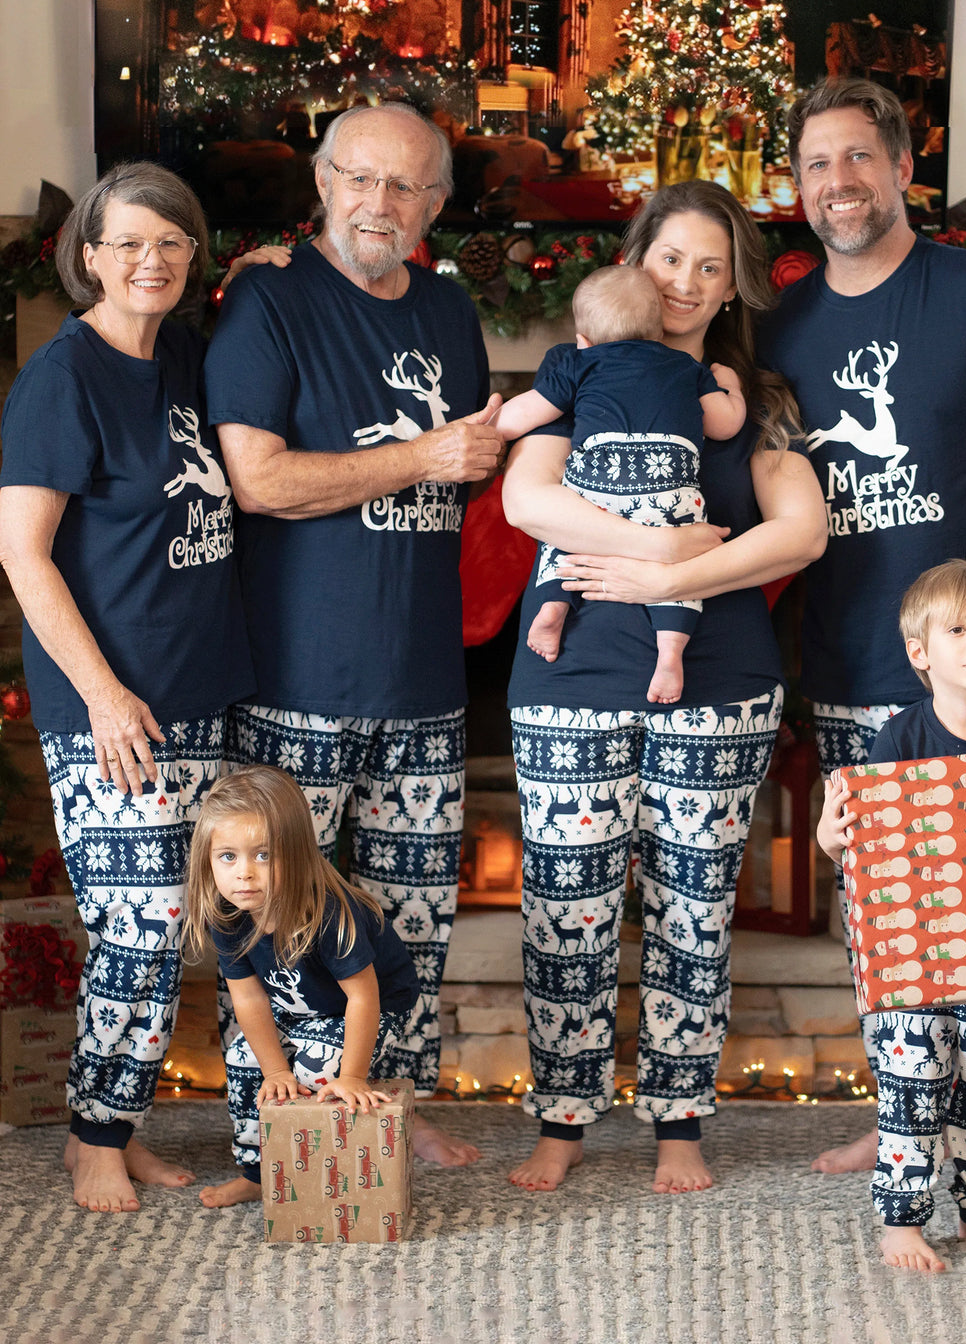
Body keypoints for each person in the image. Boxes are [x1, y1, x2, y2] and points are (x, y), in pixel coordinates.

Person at [757, 76, 966, 1206]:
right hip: (853, 659)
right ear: (797, 189)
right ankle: (901, 1116)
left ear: (902, 168)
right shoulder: (783, 327)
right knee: (885, 911)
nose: (837, 182)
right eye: (815, 165)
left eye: (858, 157)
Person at [499, 180, 828, 1193]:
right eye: (670, 257)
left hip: (717, 686)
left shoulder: (746, 398)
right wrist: (663, 544)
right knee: (567, 909)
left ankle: (680, 1123)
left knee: (695, 911)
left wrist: (675, 573)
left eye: (709, 267)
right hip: (569, 680)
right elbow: (525, 498)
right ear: (634, 262)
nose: (685, 280)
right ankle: (562, 1121)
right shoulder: (586, 370)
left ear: (732, 289)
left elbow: (801, 531)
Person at [203, 101, 503, 1167]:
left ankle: (389, 1117)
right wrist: (422, 458)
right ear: (324, 182)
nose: (381, 202)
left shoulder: (450, 312)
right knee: (277, 921)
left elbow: (474, 469)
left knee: (410, 923)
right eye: (360, 177)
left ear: (436, 205)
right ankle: (271, 1144)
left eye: (407, 185)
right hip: (299, 682)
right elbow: (259, 480)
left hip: (424, 681)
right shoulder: (269, 298)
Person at [0, 162, 254, 1212]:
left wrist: (266, 266)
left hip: (205, 690)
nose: (151, 260)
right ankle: (94, 1135)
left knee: (181, 920)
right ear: (90, 257)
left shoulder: (188, 356)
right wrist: (104, 696)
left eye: (172, 242)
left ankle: (123, 1122)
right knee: (140, 925)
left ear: (193, 256)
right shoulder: (62, 378)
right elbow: (22, 553)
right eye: (129, 243)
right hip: (113, 704)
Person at [818, 560, 966, 1270]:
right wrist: (831, 841)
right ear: (920, 652)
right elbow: (866, 850)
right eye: (956, 630)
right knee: (913, 1088)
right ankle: (902, 1222)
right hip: (913, 951)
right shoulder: (899, 739)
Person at [491, 265, 746, 702]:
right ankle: (670, 655)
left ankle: (552, 608)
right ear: (658, 332)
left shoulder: (577, 363)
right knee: (678, 571)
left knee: (564, 539)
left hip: (600, 479)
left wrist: (485, 425)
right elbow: (726, 425)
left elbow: (520, 417)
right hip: (667, 485)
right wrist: (731, 387)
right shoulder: (685, 366)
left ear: (583, 339)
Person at [183, 766, 420, 1208]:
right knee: (243, 1059)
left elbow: (363, 996)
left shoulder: (327, 912)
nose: (244, 874)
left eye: (263, 855)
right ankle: (259, 1173)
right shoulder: (228, 913)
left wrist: (352, 1076)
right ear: (208, 860)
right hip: (301, 1008)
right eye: (228, 857)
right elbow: (248, 997)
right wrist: (275, 1070)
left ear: (296, 854)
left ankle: (327, 1173)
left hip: (376, 1004)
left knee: (318, 1070)